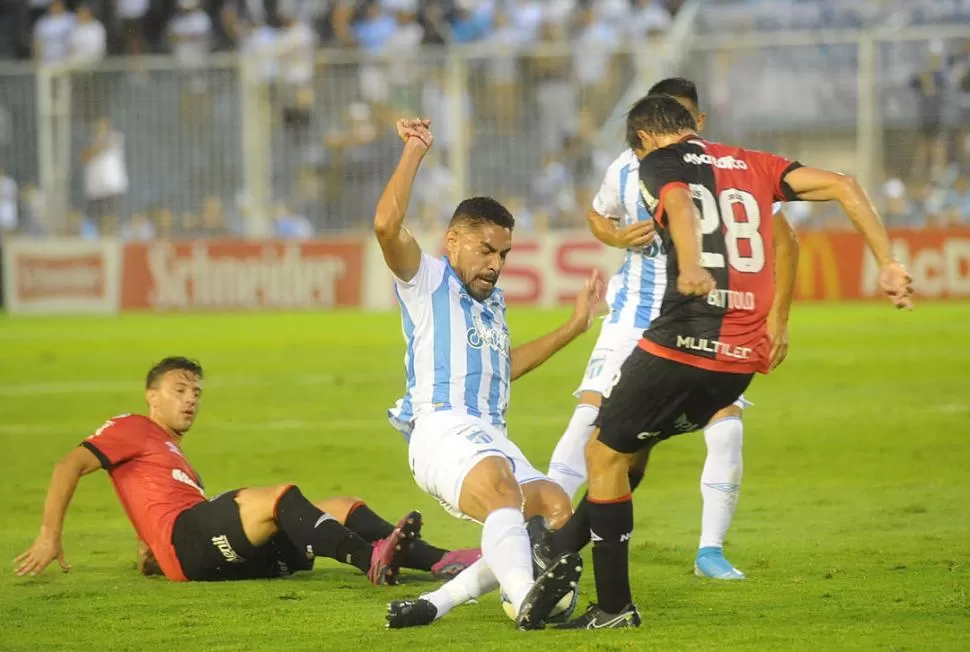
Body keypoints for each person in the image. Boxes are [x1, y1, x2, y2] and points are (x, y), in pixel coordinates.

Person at [552, 94, 913, 629]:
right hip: (738, 362)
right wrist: (887, 262)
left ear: (646, 137)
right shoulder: (752, 162)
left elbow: (676, 202)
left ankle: (610, 607)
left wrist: (692, 265)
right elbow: (844, 184)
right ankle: (558, 551)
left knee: (602, 454)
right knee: (631, 452)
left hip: (680, 344)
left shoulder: (657, 162)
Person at [545, 77, 797, 580]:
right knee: (592, 426)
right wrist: (614, 234)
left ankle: (710, 550)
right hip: (637, 311)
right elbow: (597, 214)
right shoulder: (626, 167)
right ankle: (546, 532)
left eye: (681, 121)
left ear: (696, 123)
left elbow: (784, 241)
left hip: (704, 314)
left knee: (724, 428)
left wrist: (778, 319)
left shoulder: (731, 168)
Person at [375, 119, 600, 630]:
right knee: (502, 490)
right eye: (486, 250)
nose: (496, 264)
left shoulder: (492, 302)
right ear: (452, 240)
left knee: (553, 508)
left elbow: (502, 368)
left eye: (503, 254)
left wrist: (574, 326)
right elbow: (387, 227)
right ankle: (527, 603)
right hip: (441, 430)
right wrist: (415, 149)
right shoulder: (425, 278)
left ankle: (438, 602)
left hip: (488, 434)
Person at [16, 357, 481, 584]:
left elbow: (153, 509)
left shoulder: (178, 462)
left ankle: (442, 561)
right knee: (278, 496)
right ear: (151, 397)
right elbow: (68, 464)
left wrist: (149, 553)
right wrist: (49, 534)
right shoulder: (133, 427)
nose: (191, 398)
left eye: (196, 392)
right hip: (188, 540)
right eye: (180, 389)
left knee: (338, 505)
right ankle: (367, 558)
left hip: (200, 548)